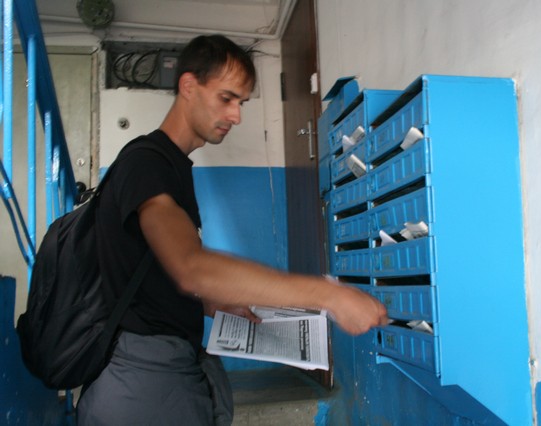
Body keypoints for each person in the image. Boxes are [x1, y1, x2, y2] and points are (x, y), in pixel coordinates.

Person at [76, 34, 388, 425]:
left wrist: (212, 304)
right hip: (141, 381)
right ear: (188, 86)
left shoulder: (171, 166)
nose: (236, 116)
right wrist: (331, 296)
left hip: (162, 368)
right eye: (226, 98)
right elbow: (190, 266)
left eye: (241, 103)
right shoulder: (147, 164)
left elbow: (151, 272)